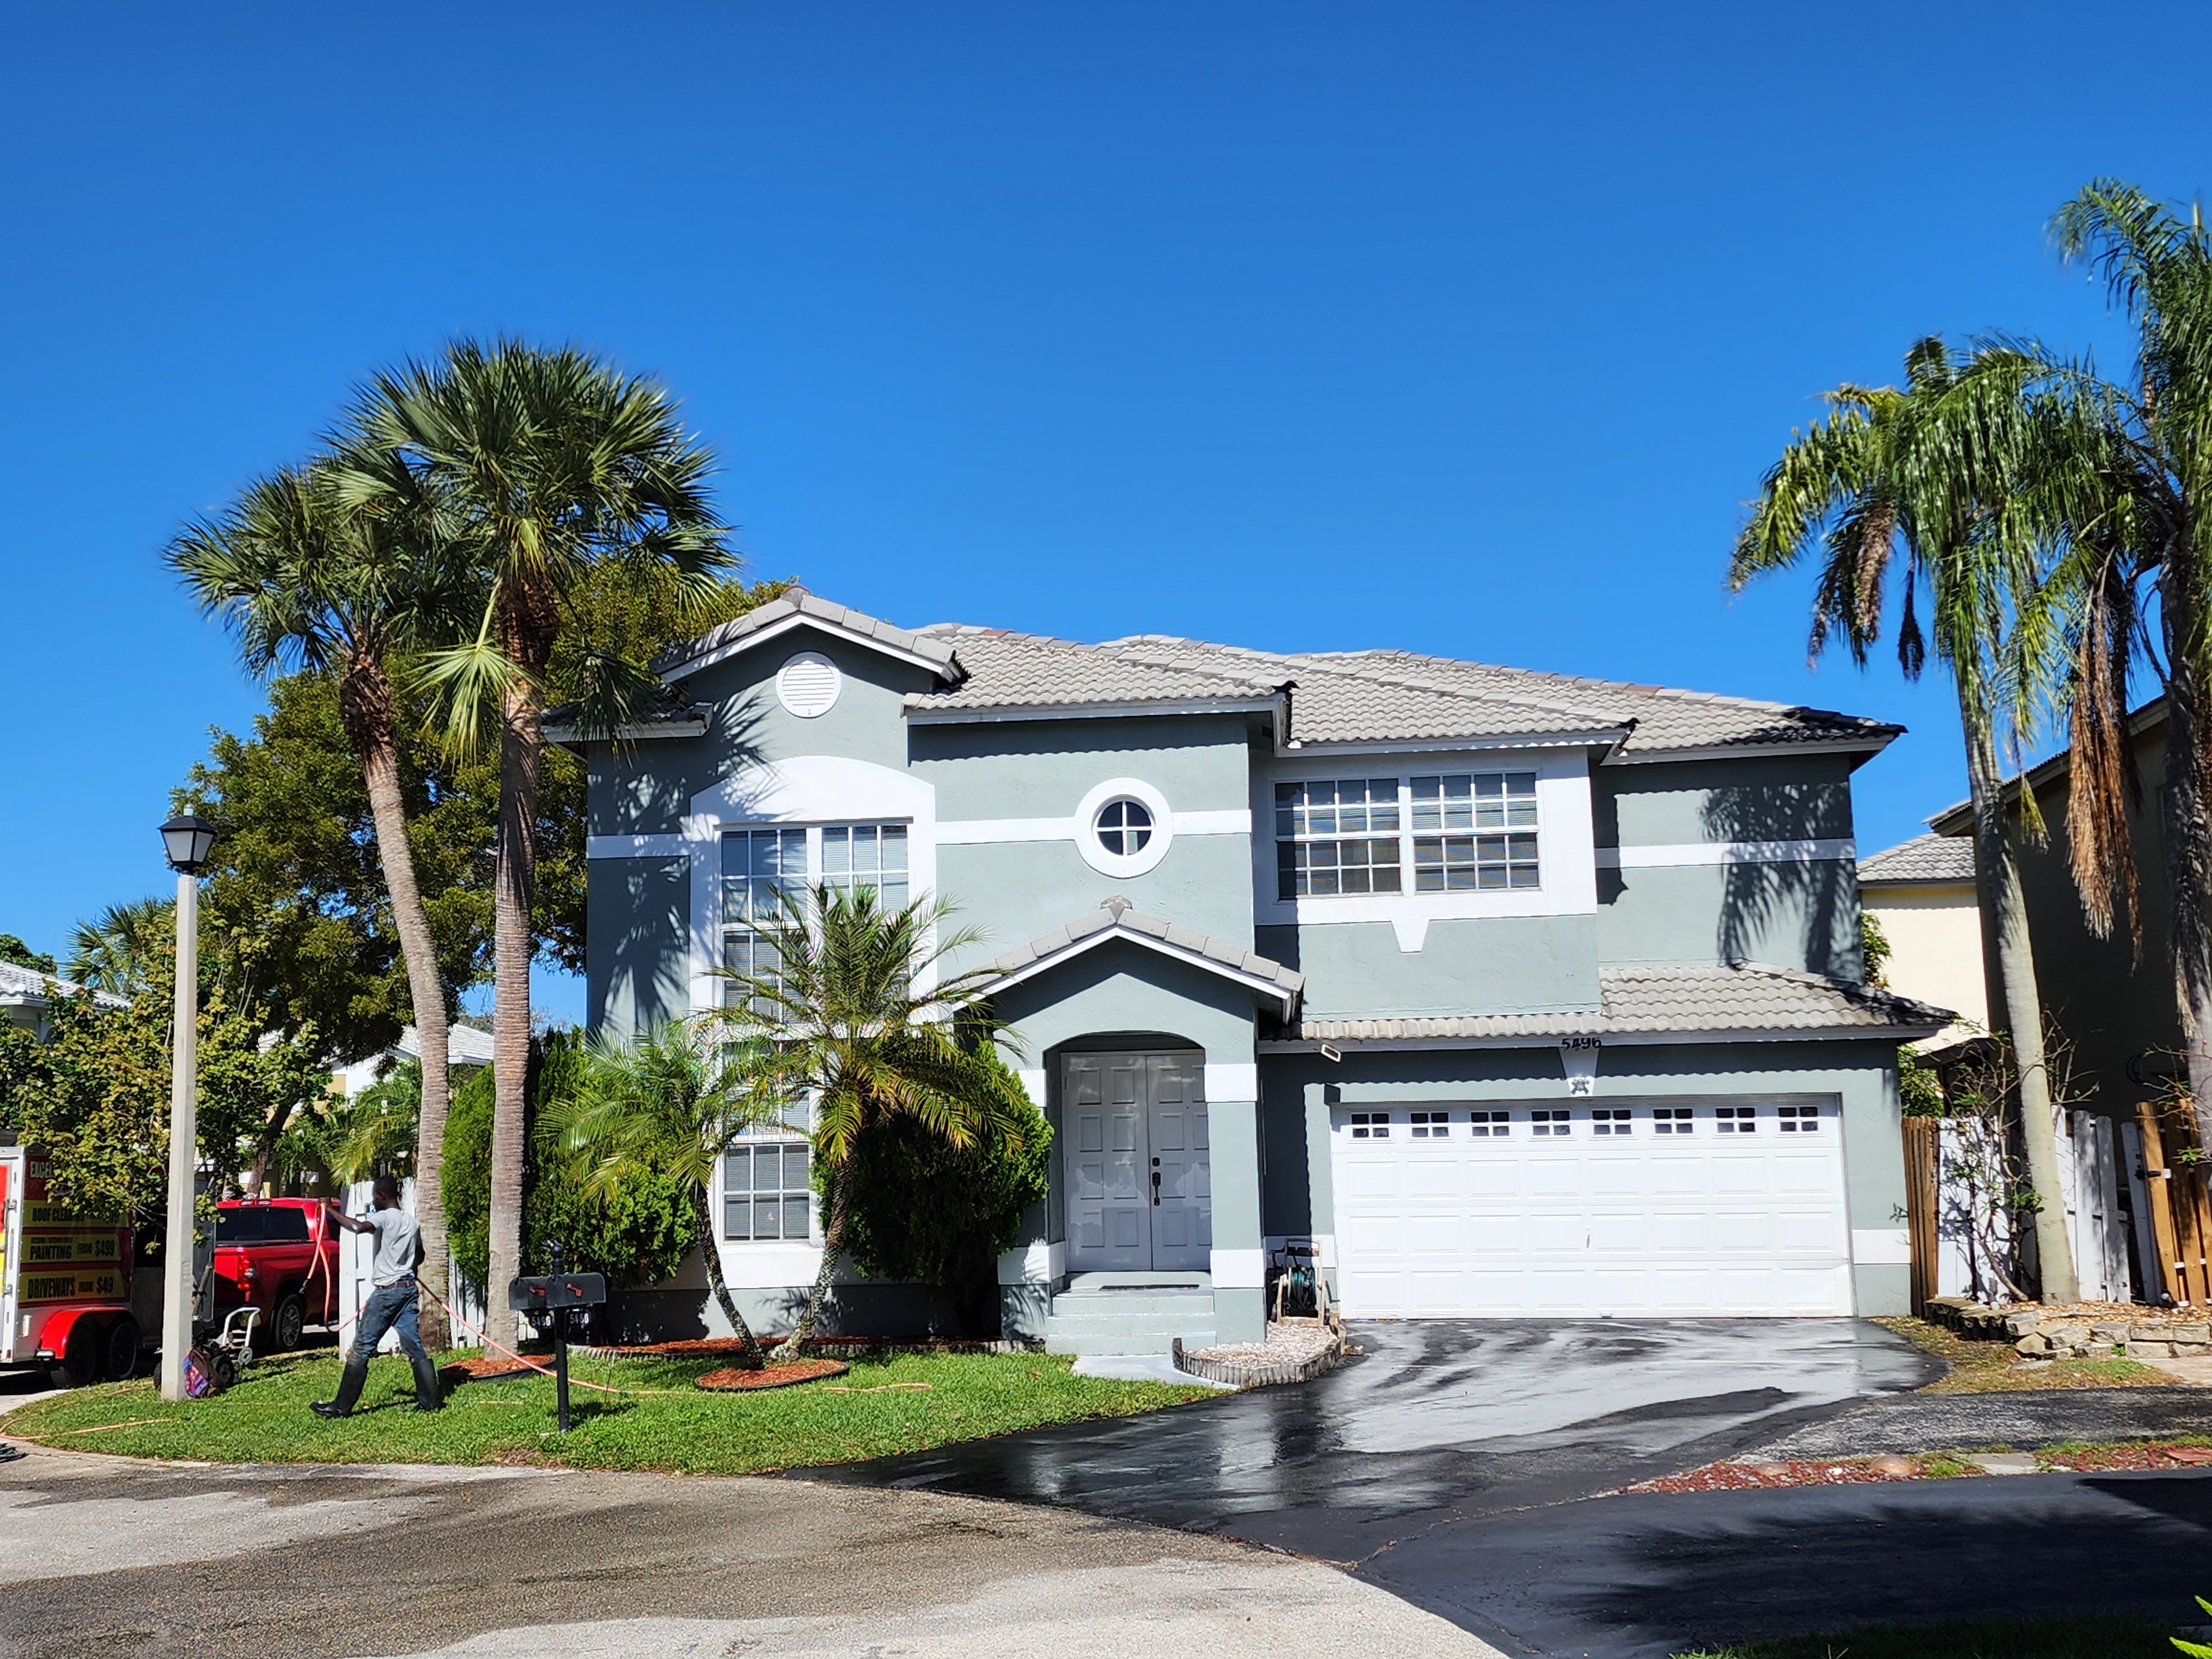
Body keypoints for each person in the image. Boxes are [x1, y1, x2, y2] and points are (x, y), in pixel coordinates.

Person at [311, 1175, 442, 1417]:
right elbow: (420, 1256)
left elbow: (358, 1228)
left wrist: (330, 1209)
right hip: (407, 1290)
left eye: (375, 1196)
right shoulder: (411, 1222)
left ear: (382, 1196)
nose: (374, 1200)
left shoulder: (384, 1217)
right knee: (414, 1347)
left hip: (387, 1293)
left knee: (362, 1347)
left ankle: (340, 1407)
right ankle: (431, 1402)